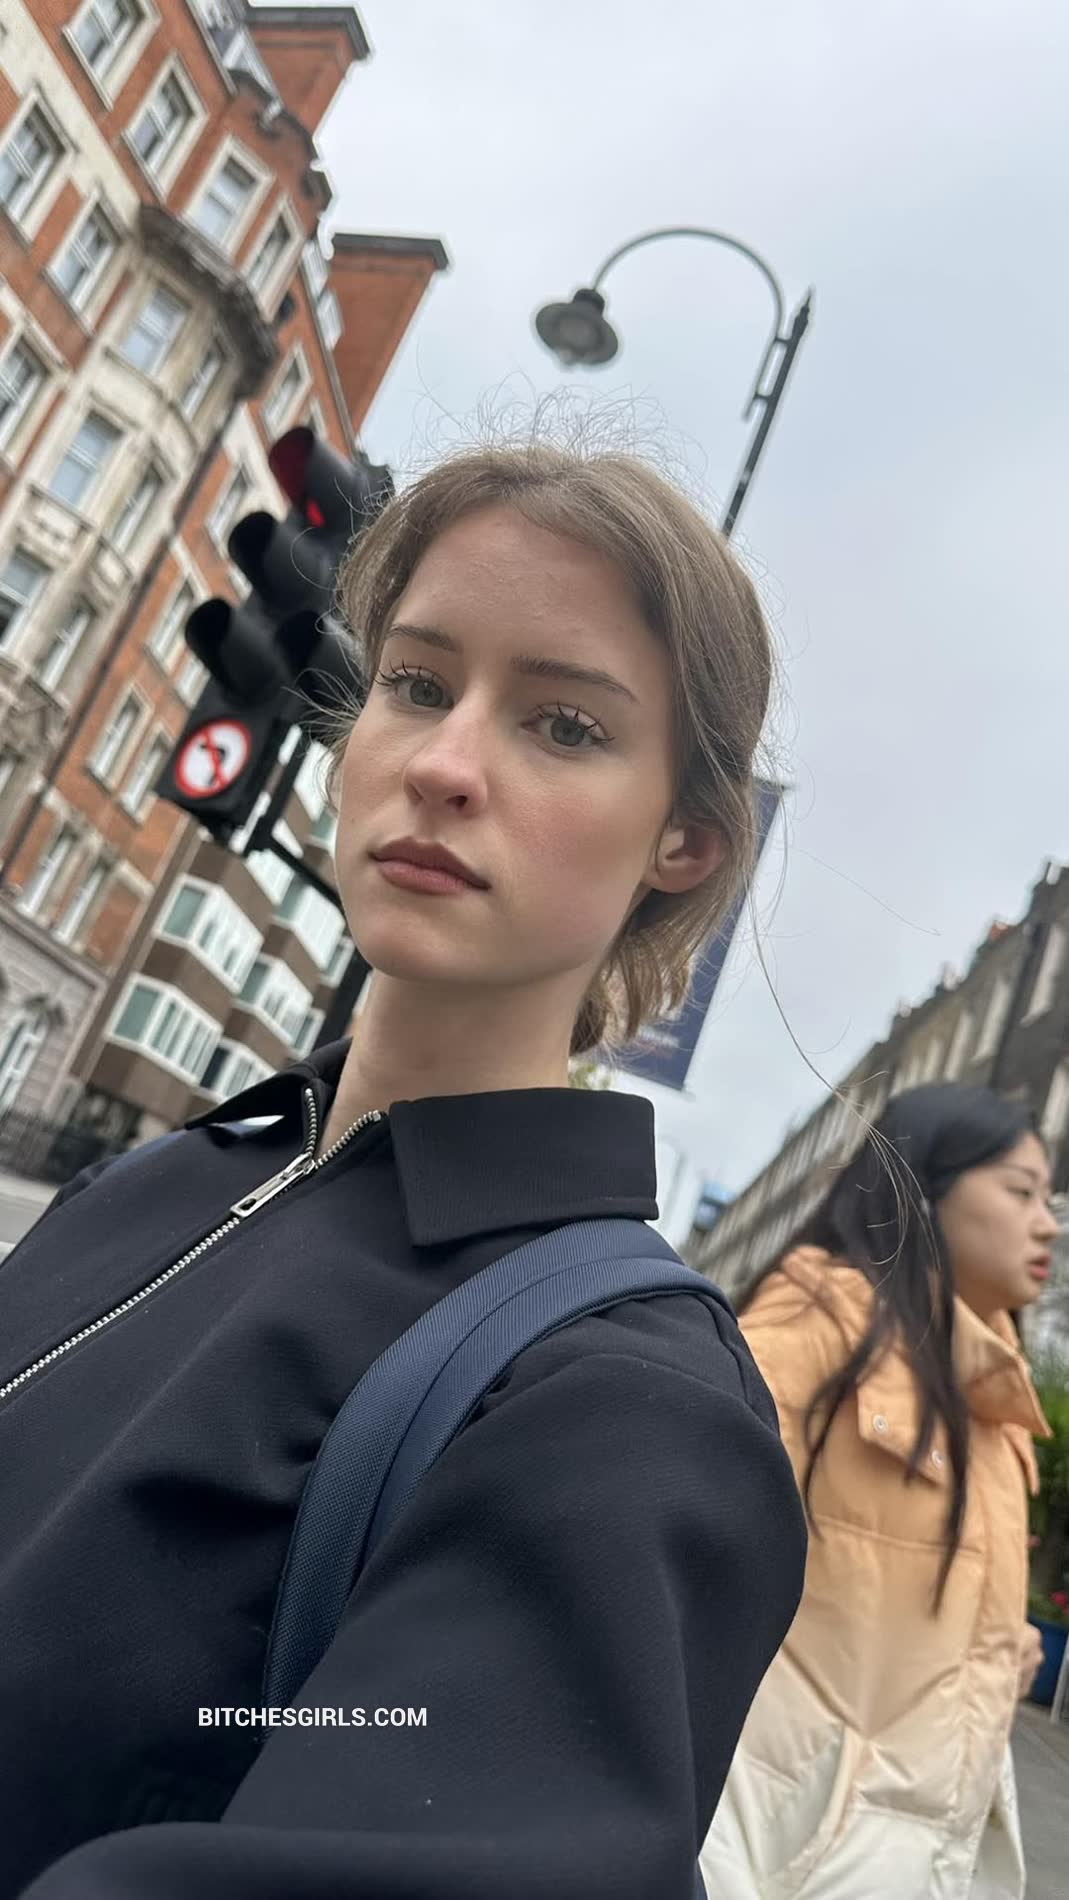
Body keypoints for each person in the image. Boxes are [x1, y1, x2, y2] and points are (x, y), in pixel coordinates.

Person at [0, 440, 805, 1898]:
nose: (441, 765)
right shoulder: (163, 1179)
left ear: (684, 841)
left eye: (564, 725)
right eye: (419, 685)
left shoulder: (621, 1408)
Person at [700, 1083, 1057, 1900]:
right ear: (922, 1188)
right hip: (765, 1849)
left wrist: (992, 1647)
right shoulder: (810, 1336)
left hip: (908, 1858)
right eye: (1019, 1192)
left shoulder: (989, 1401)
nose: (1047, 1223)